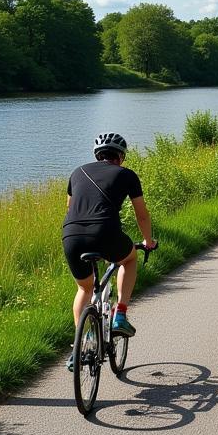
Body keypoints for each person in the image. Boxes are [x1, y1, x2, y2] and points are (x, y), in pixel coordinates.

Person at [62, 131, 156, 370]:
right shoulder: (127, 175)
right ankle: (120, 314)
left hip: (71, 235)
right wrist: (148, 241)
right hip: (105, 232)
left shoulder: (77, 172)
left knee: (84, 288)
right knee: (129, 259)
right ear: (121, 157)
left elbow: (70, 208)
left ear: (97, 155)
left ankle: (82, 345)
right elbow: (141, 215)